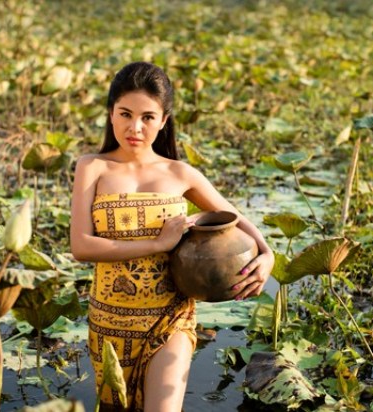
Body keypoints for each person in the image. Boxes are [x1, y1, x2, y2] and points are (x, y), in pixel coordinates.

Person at [70, 62, 274, 412]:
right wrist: (157, 243)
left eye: (148, 117)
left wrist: (267, 254)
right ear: (110, 114)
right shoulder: (92, 167)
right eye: (125, 114)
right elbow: (82, 246)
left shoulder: (181, 173)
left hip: (171, 316)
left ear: (164, 120)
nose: (135, 127)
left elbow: (234, 218)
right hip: (110, 321)